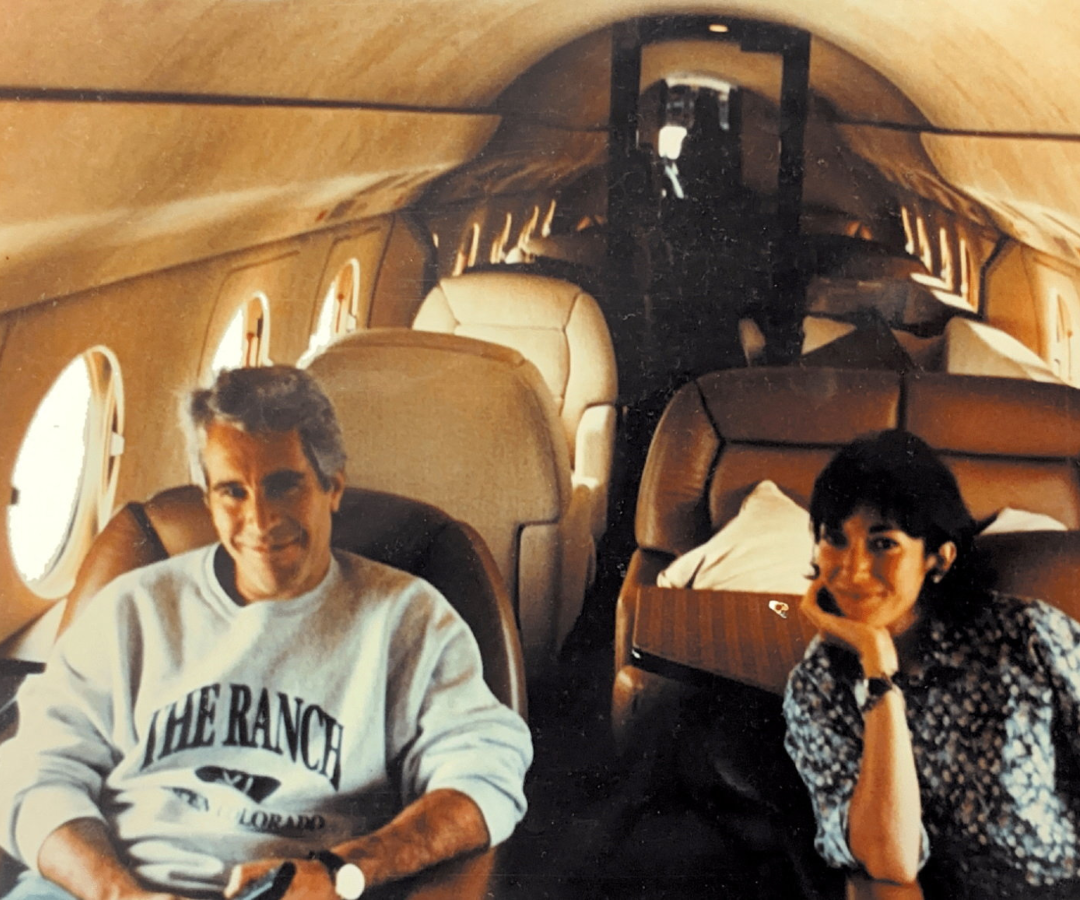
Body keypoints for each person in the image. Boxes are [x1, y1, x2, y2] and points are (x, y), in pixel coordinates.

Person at [0, 365, 533, 900]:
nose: (259, 518)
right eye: (232, 491)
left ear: (333, 485)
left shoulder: (408, 620)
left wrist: (343, 870)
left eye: (283, 485)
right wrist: (119, 894)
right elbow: (32, 772)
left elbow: (485, 775)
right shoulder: (132, 609)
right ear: (208, 500)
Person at [783, 429, 1080, 899]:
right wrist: (878, 671)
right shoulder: (818, 685)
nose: (853, 570)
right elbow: (890, 858)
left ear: (938, 559)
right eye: (834, 539)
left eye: (883, 544)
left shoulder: (1027, 636)